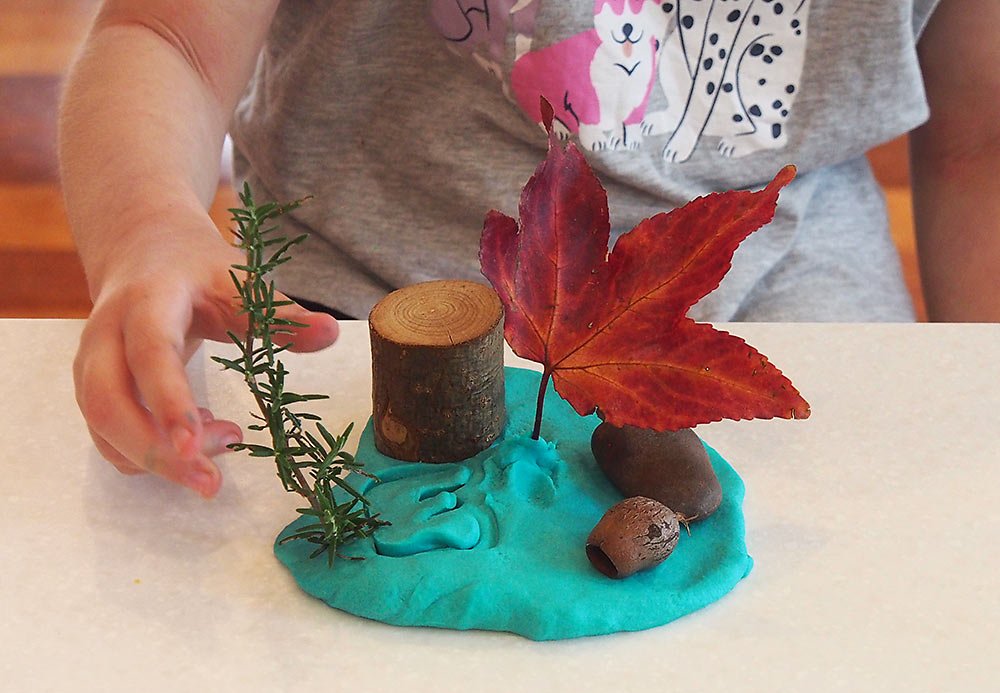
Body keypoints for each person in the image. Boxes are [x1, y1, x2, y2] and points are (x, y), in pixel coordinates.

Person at [59, 0, 1000, 498]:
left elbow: (980, 143)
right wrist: (147, 222)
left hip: (787, 278)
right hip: (353, 295)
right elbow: (166, 35)